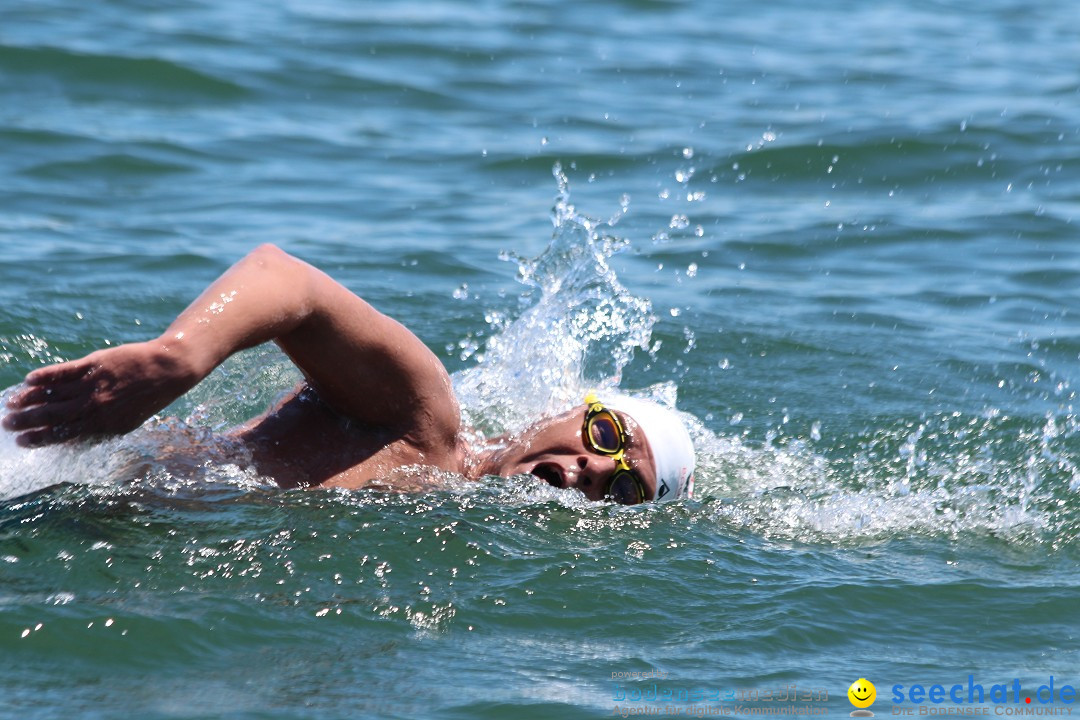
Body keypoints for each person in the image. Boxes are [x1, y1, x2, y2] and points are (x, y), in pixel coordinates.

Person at [2, 245, 695, 504]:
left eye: (626, 488)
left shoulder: (448, 515)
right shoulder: (423, 417)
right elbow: (288, 283)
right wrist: (176, 358)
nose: (594, 469)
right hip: (47, 473)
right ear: (574, 408)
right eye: (605, 433)